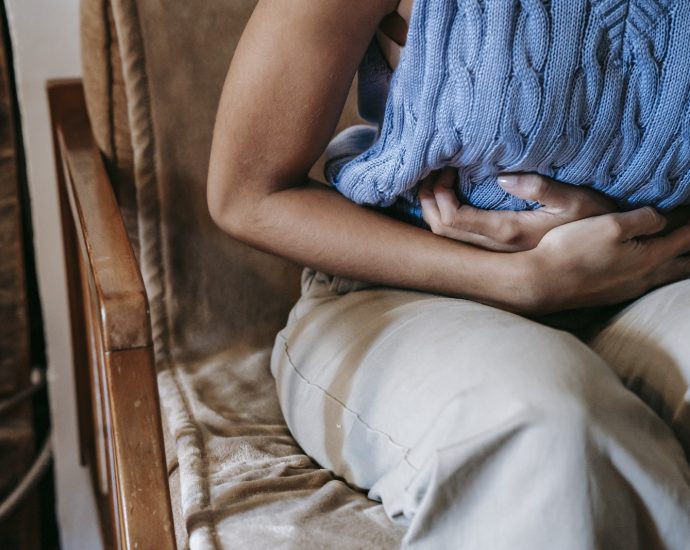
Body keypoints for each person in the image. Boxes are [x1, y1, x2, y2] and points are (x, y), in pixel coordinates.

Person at [207, 1, 690, 548]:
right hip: (404, 294)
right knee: (548, 428)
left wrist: (619, 225)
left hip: (653, 275)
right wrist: (520, 281)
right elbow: (247, 196)